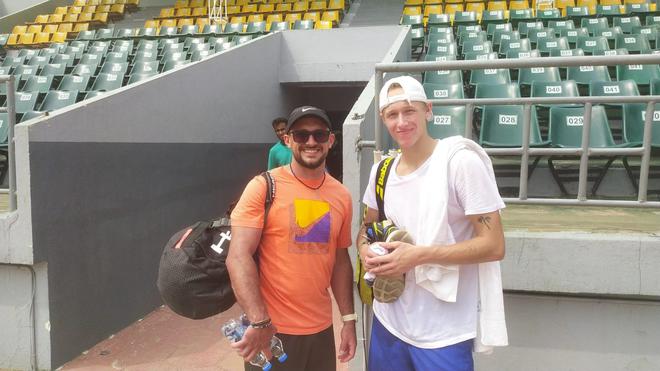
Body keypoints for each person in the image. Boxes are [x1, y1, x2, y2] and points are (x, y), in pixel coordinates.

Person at [357, 76, 508, 371]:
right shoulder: (381, 171)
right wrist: (364, 249)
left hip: (444, 333)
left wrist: (419, 255)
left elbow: (494, 245)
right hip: (390, 321)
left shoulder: (460, 163)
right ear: (383, 119)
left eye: (409, 111)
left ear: (428, 110)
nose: (401, 122)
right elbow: (367, 228)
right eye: (392, 114)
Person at [228, 106, 357, 371]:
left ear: (331, 140)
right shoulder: (263, 186)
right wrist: (260, 322)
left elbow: (339, 260)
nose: (311, 142)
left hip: (321, 331)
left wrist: (349, 320)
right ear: (287, 140)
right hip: (273, 333)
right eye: (301, 135)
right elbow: (238, 257)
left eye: (319, 135)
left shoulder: (341, 195)